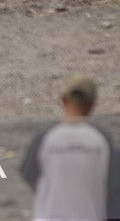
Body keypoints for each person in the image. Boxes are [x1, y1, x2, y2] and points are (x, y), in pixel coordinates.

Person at [21, 76, 120, 221]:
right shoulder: (102, 139)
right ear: (91, 103)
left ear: (63, 99)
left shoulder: (45, 137)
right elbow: (112, 186)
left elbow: (31, 177)